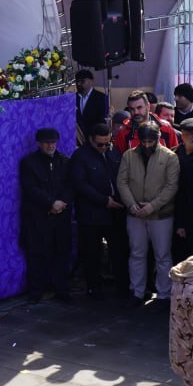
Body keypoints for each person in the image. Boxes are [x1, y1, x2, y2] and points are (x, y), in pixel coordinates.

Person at [117, 120, 179, 304]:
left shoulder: (170, 157)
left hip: (161, 215)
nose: (146, 145)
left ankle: (164, 295)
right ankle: (136, 292)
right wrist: (131, 204)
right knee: (137, 253)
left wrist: (152, 206)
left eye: (150, 141)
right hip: (135, 213)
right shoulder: (129, 155)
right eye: (143, 141)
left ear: (157, 138)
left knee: (162, 255)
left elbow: (171, 187)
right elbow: (122, 182)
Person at [70, 124, 128, 298]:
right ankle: (94, 288)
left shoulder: (113, 152)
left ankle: (122, 287)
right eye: (100, 144)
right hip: (92, 214)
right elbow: (80, 184)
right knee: (92, 253)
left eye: (107, 143)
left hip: (114, 212)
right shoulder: (80, 156)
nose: (104, 147)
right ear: (90, 140)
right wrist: (104, 201)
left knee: (119, 251)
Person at [20, 127, 73, 302]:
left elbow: (70, 185)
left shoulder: (65, 161)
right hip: (39, 217)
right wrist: (50, 204)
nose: (50, 146)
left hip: (60, 216)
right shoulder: (29, 163)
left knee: (61, 252)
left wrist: (60, 204)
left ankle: (61, 289)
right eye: (46, 143)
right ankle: (37, 291)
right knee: (37, 255)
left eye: (53, 142)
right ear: (39, 144)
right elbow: (31, 189)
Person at [114, 89, 179, 151]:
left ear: (148, 106)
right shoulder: (123, 133)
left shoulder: (166, 128)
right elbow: (121, 158)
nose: (136, 112)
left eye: (139, 107)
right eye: (132, 109)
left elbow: (174, 155)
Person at [176, 117, 193, 261]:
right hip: (187, 219)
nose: (192, 138)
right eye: (188, 134)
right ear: (182, 135)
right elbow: (181, 194)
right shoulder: (175, 156)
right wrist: (180, 223)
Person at [75, 69, 109, 144]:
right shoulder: (73, 98)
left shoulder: (101, 98)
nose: (78, 84)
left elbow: (102, 120)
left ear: (91, 81)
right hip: (76, 139)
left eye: (82, 81)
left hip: (94, 139)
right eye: (77, 81)